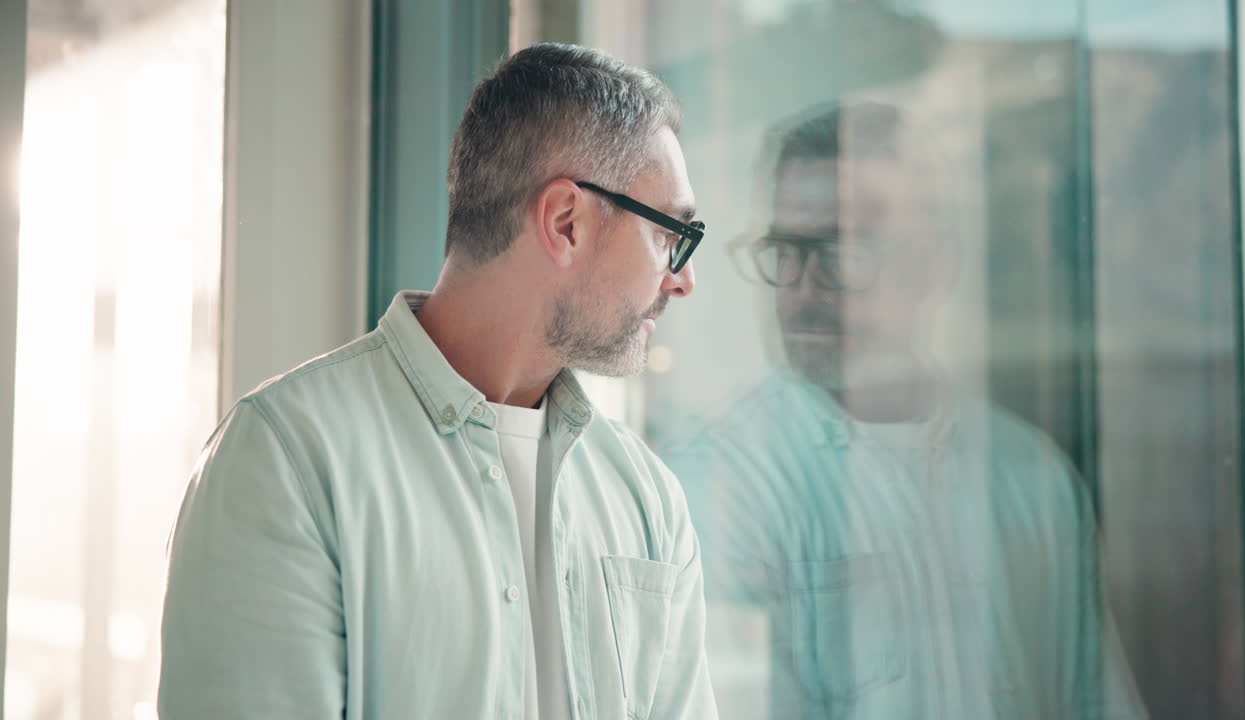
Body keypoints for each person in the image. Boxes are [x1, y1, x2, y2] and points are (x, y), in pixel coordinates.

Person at [159, 43, 718, 720]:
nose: (682, 280)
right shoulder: (285, 462)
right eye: (671, 235)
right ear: (565, 222)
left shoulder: (648, 498)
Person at [665, 102, 1147, 718]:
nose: (803, 290)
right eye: (785, 253)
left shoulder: (1034, 479)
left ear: (934, 265)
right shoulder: (715, 489)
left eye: (842, 253)